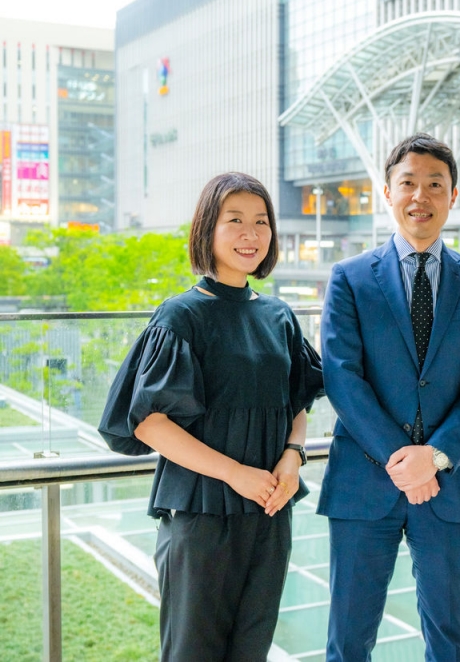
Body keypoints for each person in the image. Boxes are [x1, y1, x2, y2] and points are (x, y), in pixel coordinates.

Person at [98, 172, 324, 661]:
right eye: (235, 220)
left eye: (261, 222)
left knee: (252, 650)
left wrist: (293, 456)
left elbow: (297, 400)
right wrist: (236, 474)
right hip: (201, 516)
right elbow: (149, 422)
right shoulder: (180, 316)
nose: (251, 234)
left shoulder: (279, 316)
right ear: (207, 229)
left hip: (270, 511)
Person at [318, 133, 460, 661]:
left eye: (435, 185)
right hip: (363, 482)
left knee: (449, 636)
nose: (420, 196)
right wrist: (402, 460)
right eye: (408, 183)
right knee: (349, 637)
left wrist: (435, 457)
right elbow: (341, 376)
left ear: (453, 195)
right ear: (387, 192)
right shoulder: (350, 278)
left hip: (448, 483)